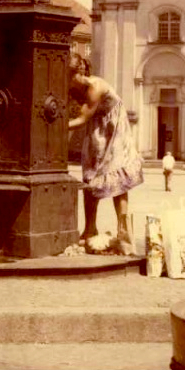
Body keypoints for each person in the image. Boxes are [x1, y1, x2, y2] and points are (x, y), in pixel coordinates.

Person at [68, 67, 144, 255]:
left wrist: (55, 125)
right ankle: (90, 229)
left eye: (72, 75)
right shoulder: (74, 88)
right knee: (90, 177)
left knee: (118, 179)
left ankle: (124, 234)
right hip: (98, 130)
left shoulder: (95, 88)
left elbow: (82, 119)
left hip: (114, 129)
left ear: (80, 72)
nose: (72, 79)